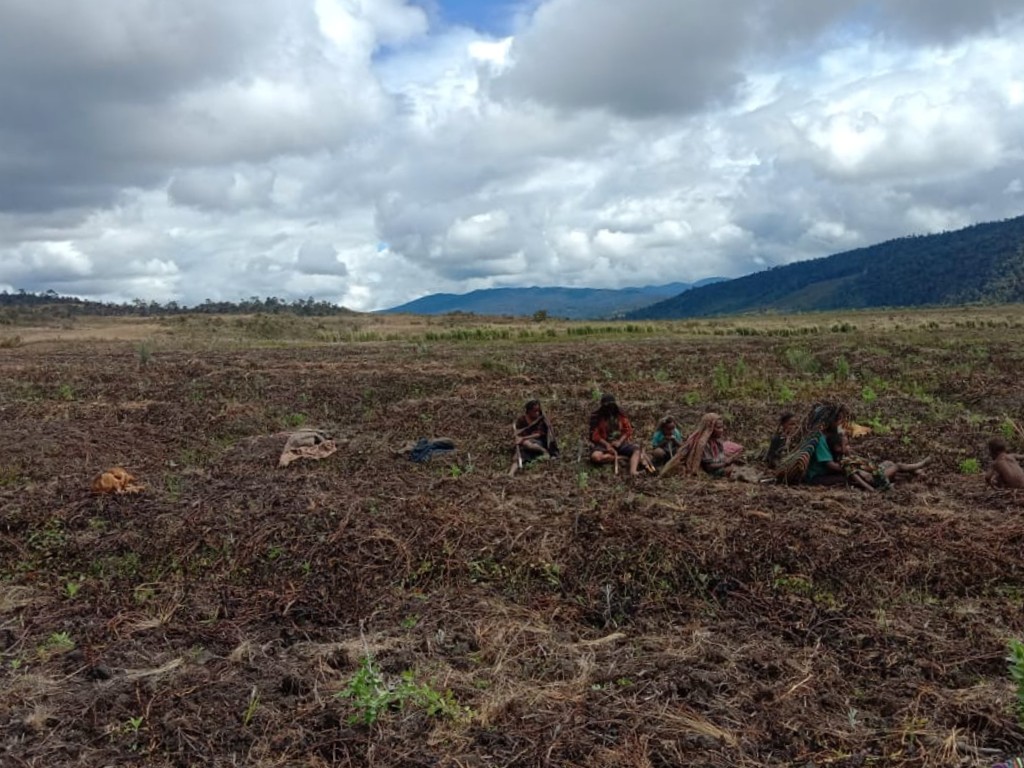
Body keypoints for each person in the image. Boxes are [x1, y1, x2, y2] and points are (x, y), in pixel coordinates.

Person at [774, 401, 851, 485]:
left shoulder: (833, 437)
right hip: (816, 476)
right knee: (845, 479)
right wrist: (848, 469)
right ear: (830, 421)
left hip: (826, 472)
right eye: (838, 420)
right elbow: (829, 464)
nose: (840, 424)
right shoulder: (819, 438)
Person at [829, 431, 931, 491]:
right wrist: (872, 490)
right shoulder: (845, 462)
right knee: (898, 466)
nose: (849, 447)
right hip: (874, 478)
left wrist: (848, 452)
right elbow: (855, 477)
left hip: (876, 470)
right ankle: (919, 465)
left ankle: (916, 472)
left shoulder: (848, 457)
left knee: (889, 463)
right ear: (838, 448)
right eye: (846, 445)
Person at [662, 412, 744, 477]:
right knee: (735, 470)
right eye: (718, 428)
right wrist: (726, 463)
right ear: (710, 428)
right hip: (713, 471)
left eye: (722, 427)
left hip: (720, 464)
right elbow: (709, 467)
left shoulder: (717, 441)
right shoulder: (703, 444)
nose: (721, 430)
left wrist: (731, 459)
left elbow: (719, 456)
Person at [589, 393, 643, 476]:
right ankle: (622, 458)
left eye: (611, 405)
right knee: (595, 457)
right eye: (607, 405)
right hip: (603, 444)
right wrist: (607, 445)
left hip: (619, 443)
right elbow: (595, 436)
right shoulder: (597, 417)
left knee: (637, 451)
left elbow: (627, 430)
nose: (609, 408)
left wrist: (619, 441)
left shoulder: (620, 414)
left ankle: (633, 471)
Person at [509, 399, 559, 476]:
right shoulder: (522, 419)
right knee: (518, 456)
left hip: (538, 442)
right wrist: (517, 437)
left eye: (538, 410)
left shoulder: (541, 420)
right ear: (529, 411)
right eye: (534, 411)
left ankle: (544, 451)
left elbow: (538, 434)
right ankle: (511, 473)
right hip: (524, 444)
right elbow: (518, 432)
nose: (537, 413)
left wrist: (524, 438)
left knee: (526, 443)